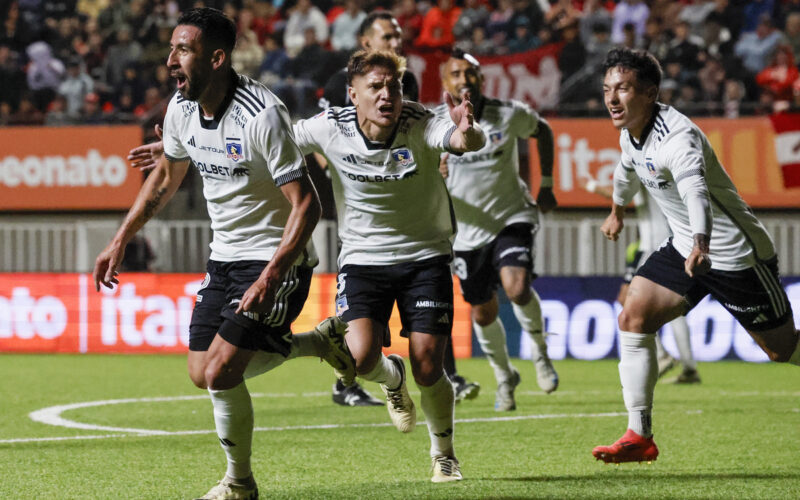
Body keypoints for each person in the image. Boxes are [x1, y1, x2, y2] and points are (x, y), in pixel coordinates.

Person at [94, 9, 356, 499]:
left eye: (183, 50)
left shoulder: (262, 115)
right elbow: (167, 177)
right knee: (202, 372)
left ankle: (239, 483)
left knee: (220, 372)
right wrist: (121, 238)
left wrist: (271, 276)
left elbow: (308, 205)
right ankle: (319, 344)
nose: (171, 60)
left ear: (216, 58)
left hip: (279, 261)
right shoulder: (180, 107)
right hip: (225, 259)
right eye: (171, 49)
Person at [592, 48, 800, 464]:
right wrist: (616, 210)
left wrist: (702, 243)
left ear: (650, 93)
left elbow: (696, 193)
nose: (612, 99)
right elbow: (626, 169)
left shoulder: (678, 138)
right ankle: (639, 435)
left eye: (624, 89)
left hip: (734, 254)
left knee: (781, 351)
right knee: (633, 315)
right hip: (686, 245)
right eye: (607, 89)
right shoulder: (629, 130)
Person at [293, 49, 486, 482]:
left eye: (393, 87)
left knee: (429, 365)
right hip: (362, 259)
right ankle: (390, 377)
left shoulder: (420, 121)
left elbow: (463, 142)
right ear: (353, 94)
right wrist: (183, 147)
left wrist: (466, 131)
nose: (387, 96)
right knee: (361, 360)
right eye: (376, 87)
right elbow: (273, 141)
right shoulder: (329, 127)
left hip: (425, 256)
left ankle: (444, 454)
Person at [318, 10, 479, 407]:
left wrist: (452, 139)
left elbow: (440, 133)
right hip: (364, 235)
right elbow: (313, 141)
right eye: (387, 37)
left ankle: (442, 404)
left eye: (397, 37)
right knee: (359, 354)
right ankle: (352, 383)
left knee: (428, 360)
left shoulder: (406, 90)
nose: (396, 43)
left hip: (420, 240)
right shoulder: (340, 87)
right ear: (365, 42)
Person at [435, 49, 559, 412]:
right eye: (455, 74)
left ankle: (540, 353)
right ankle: (505, 376)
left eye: (469, 73)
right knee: (482, 313)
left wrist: (547, 184)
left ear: (481, 79)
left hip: (511, 215)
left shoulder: (508, 114)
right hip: (465, 233)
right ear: (445, 83)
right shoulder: (434, 124)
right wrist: (434, 171)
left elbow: (545, 131)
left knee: (517, 287)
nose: (463, 80)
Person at [580, 178, 700, 384]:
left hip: (655, 246)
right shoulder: (666, 171)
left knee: (627, 298)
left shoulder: (646, 166)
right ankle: (689, 368)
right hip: (676, 243)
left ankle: (662, 355)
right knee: (675, 306)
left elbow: (620, 194)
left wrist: (591, 186)